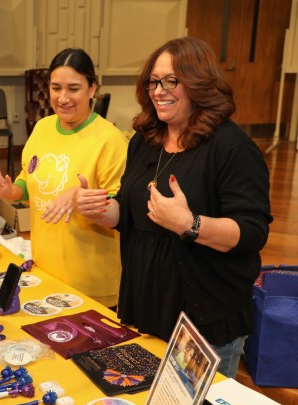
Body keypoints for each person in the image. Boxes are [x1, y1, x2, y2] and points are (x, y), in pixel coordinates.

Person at [73, 37, 272, 378]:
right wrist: (101, 209)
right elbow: (131, 212)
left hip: (205, 323)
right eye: (153, 81)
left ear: (198, 83)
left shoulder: (231, 146)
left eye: (170, 81)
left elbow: (253, 231)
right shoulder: (145, 140)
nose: (158, 90)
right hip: (148, 308)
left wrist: (190, 224)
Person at [0, 48, 127, 308]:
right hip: (45, 272)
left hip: (91, 283)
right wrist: (9, 190)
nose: (63, 98)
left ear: (92, 89)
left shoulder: (109, 140)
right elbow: (29, 181)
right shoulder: (42, 128)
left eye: (73, 88)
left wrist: (82, 198)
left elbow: (121, 210)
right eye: (56, 88)